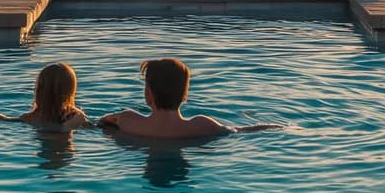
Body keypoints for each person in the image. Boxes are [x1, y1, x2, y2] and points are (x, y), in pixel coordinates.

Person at [97, 58, 281, 139]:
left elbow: (100, 123)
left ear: (148, 95)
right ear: (185, 95)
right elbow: (240, 131)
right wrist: (279, 126)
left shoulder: (128, 120)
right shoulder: (201, 126)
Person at [18, 62, 91, 130]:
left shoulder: (29, 118)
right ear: (71, 90)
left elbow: (12, 121)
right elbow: (94, 128)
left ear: (39, 90)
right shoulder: (76, 117)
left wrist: (6, 118)